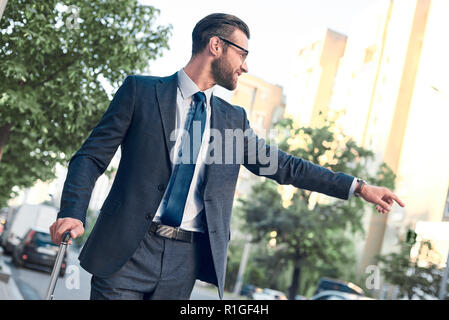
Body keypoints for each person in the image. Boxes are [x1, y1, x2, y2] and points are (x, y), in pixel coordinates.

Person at [50, 13, 405, 300]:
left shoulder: (231, 120)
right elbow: (91, 157)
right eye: (242, 54)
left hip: (184, 261)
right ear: (215, 45)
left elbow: (284, 166)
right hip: (126, 250)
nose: (245, 66)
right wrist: (72, 212)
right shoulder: (141, 92)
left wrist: (357, 186)